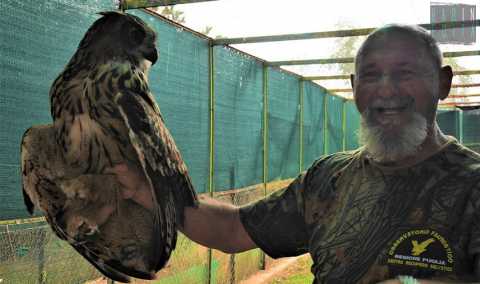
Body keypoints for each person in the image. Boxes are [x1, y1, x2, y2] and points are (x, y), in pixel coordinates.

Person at [115, 24, 480, 283]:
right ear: (354, 88)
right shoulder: (328, 178)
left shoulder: (472, 185)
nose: (386, 91)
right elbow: (232, 228)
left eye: (405, 73)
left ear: (444, 83)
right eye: (370, 76)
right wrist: (149, 190)